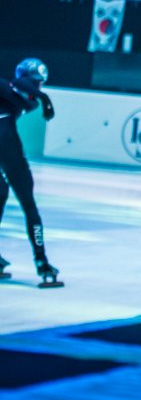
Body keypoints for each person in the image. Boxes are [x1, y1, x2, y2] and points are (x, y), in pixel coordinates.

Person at [0, 59, 60, 287]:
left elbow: (22, 86)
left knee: (2, 193)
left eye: (41, 85)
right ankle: (42, 261)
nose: (38, 89)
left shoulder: (26, 101)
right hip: (6, 141)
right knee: (28, 205)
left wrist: (40, 98)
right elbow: (19, 82)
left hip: (6, 138)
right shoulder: (15, 88)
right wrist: (45, 98)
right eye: (37, 83)